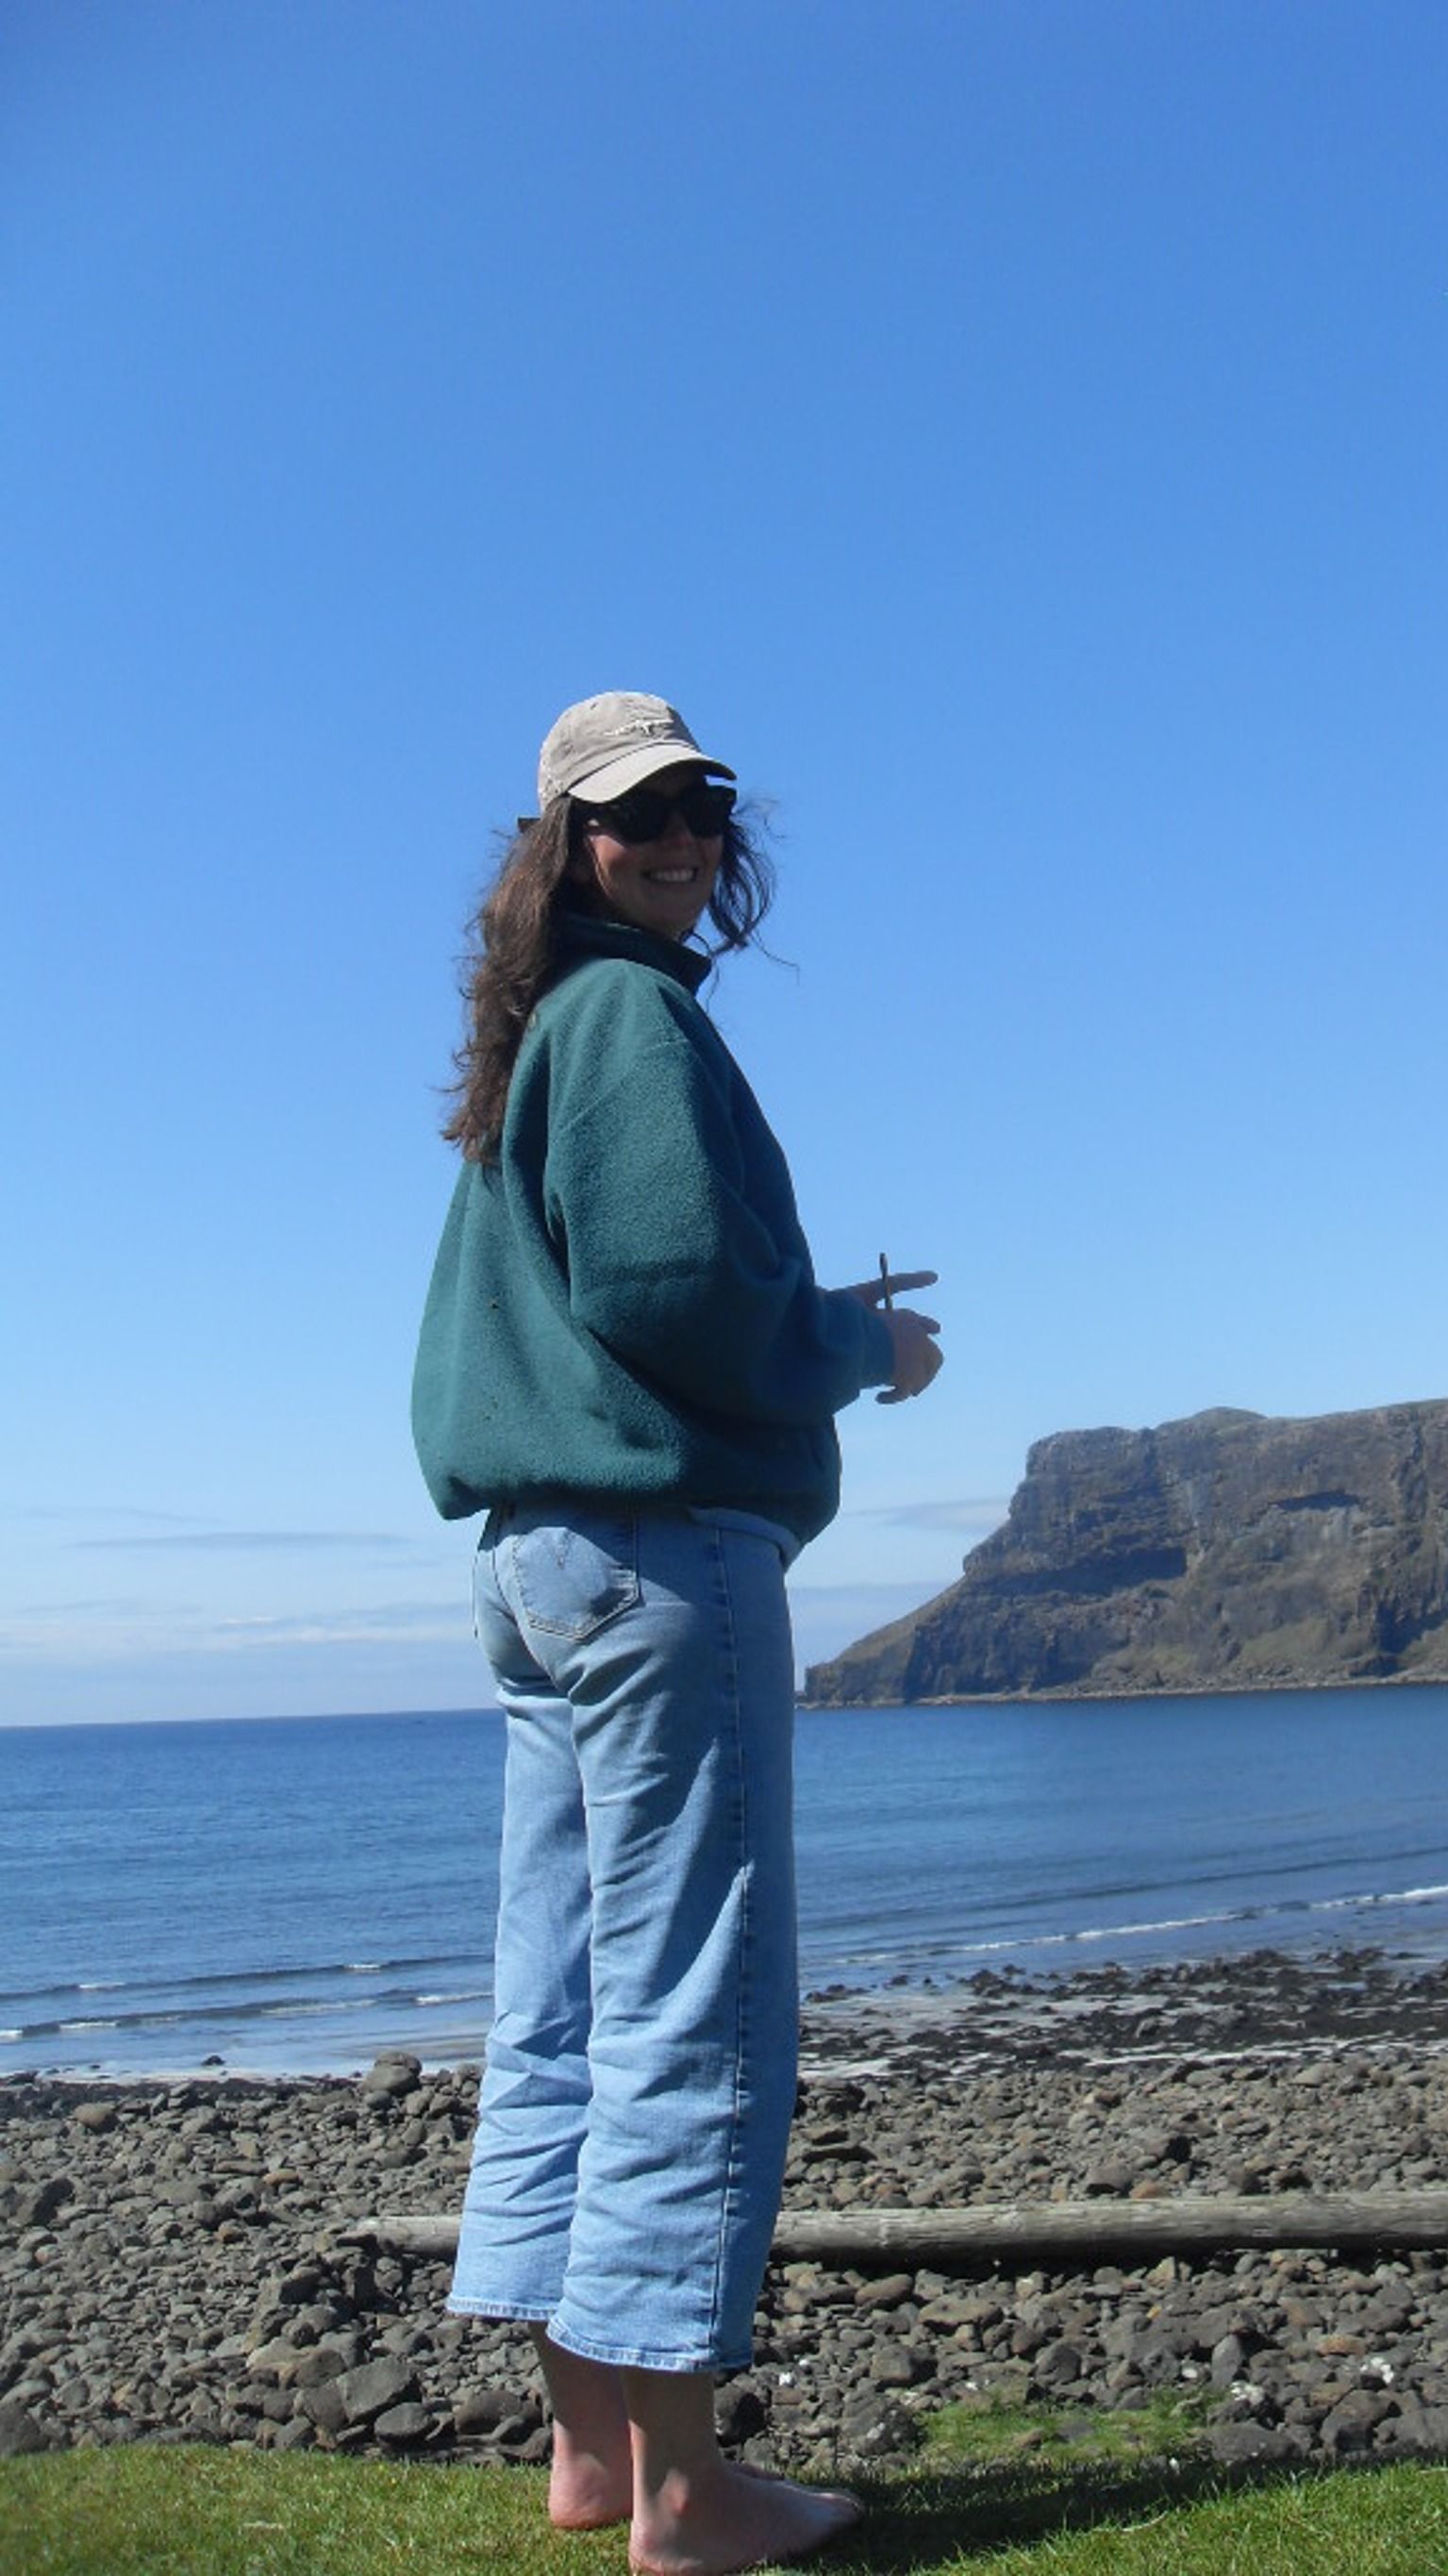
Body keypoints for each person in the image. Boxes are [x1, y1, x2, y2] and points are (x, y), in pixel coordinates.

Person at [411, 690, 942, 2575]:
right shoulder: (631, 1016)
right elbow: (666, 1287)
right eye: (638, 815)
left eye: (704, 805)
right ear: (569, 846)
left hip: (536, 1566)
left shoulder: (538, 1038)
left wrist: (785, 1317)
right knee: (690, 2013)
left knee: (558, 2006)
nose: (684, 837)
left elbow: (567, 1306)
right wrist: (857, 1350)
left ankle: (583, 2449)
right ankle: (687, 2495)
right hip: (659, 1561)